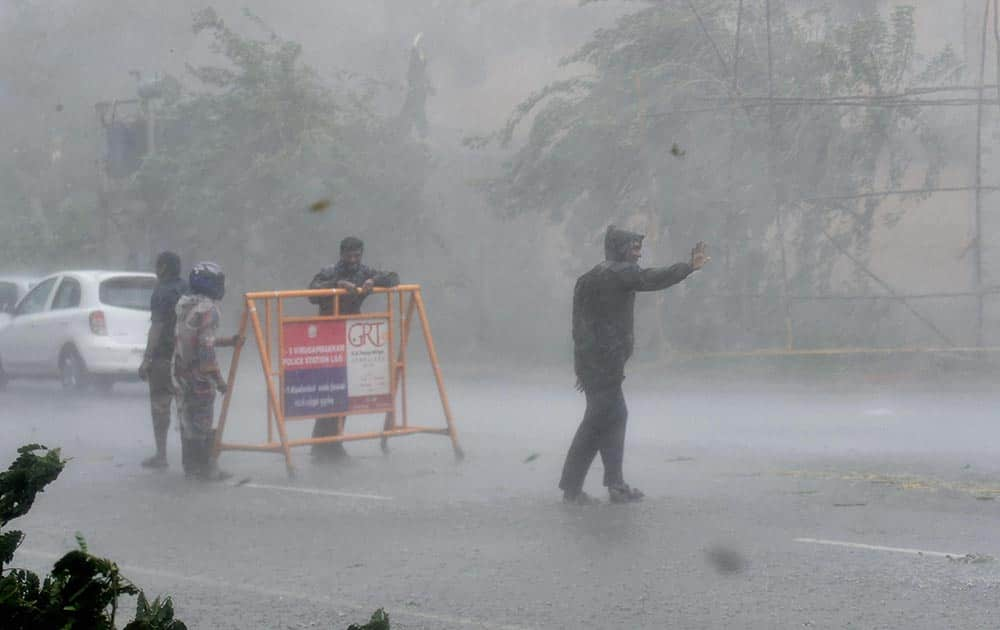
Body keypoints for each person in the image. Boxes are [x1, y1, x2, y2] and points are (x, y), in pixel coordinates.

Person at [558, 226, 710, 505]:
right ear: (619, 249)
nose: (638, 255)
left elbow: (577, 328)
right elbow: (651, 278)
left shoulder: (588, 278)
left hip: (595, 365)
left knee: (608, 419)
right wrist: (688, 267)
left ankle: (601, 484)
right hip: (604, 365)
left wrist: (582, 368)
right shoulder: (619, 273)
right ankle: (586, 486)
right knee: (600, 422)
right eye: (634, 248)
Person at [307, 237, 399, 461]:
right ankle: (322, 444)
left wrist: (372, 281)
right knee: (331, 389)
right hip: (329, 334)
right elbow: (311, 292)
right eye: (349, 256)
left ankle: (333, 441)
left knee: (346, 390)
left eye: (357, 256)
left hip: (352, 335)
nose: (352, 260)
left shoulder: (362, 271)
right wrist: (336, 286)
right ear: (341, 254)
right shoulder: (330, 272)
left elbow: (394, 278)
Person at [173, 262, 241, 481]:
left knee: (187, 419)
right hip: (199, 376)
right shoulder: (209, 309)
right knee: (203, 420)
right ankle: (206, 467)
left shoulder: (184, 304)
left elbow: (194, 338)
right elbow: (206, 348)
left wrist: (228, 341)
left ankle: (191, 466)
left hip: (181, 371)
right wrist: (218, 379)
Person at [138, 251, 187, 469]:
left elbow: (156, 327)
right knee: (185, 406)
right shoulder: (187, 289)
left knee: (160, 405)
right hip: (185, 356)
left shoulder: (161, 293)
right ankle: (191, 454)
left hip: (163, 357)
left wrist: (147, 359)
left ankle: (161, 455)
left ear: (163, 268)